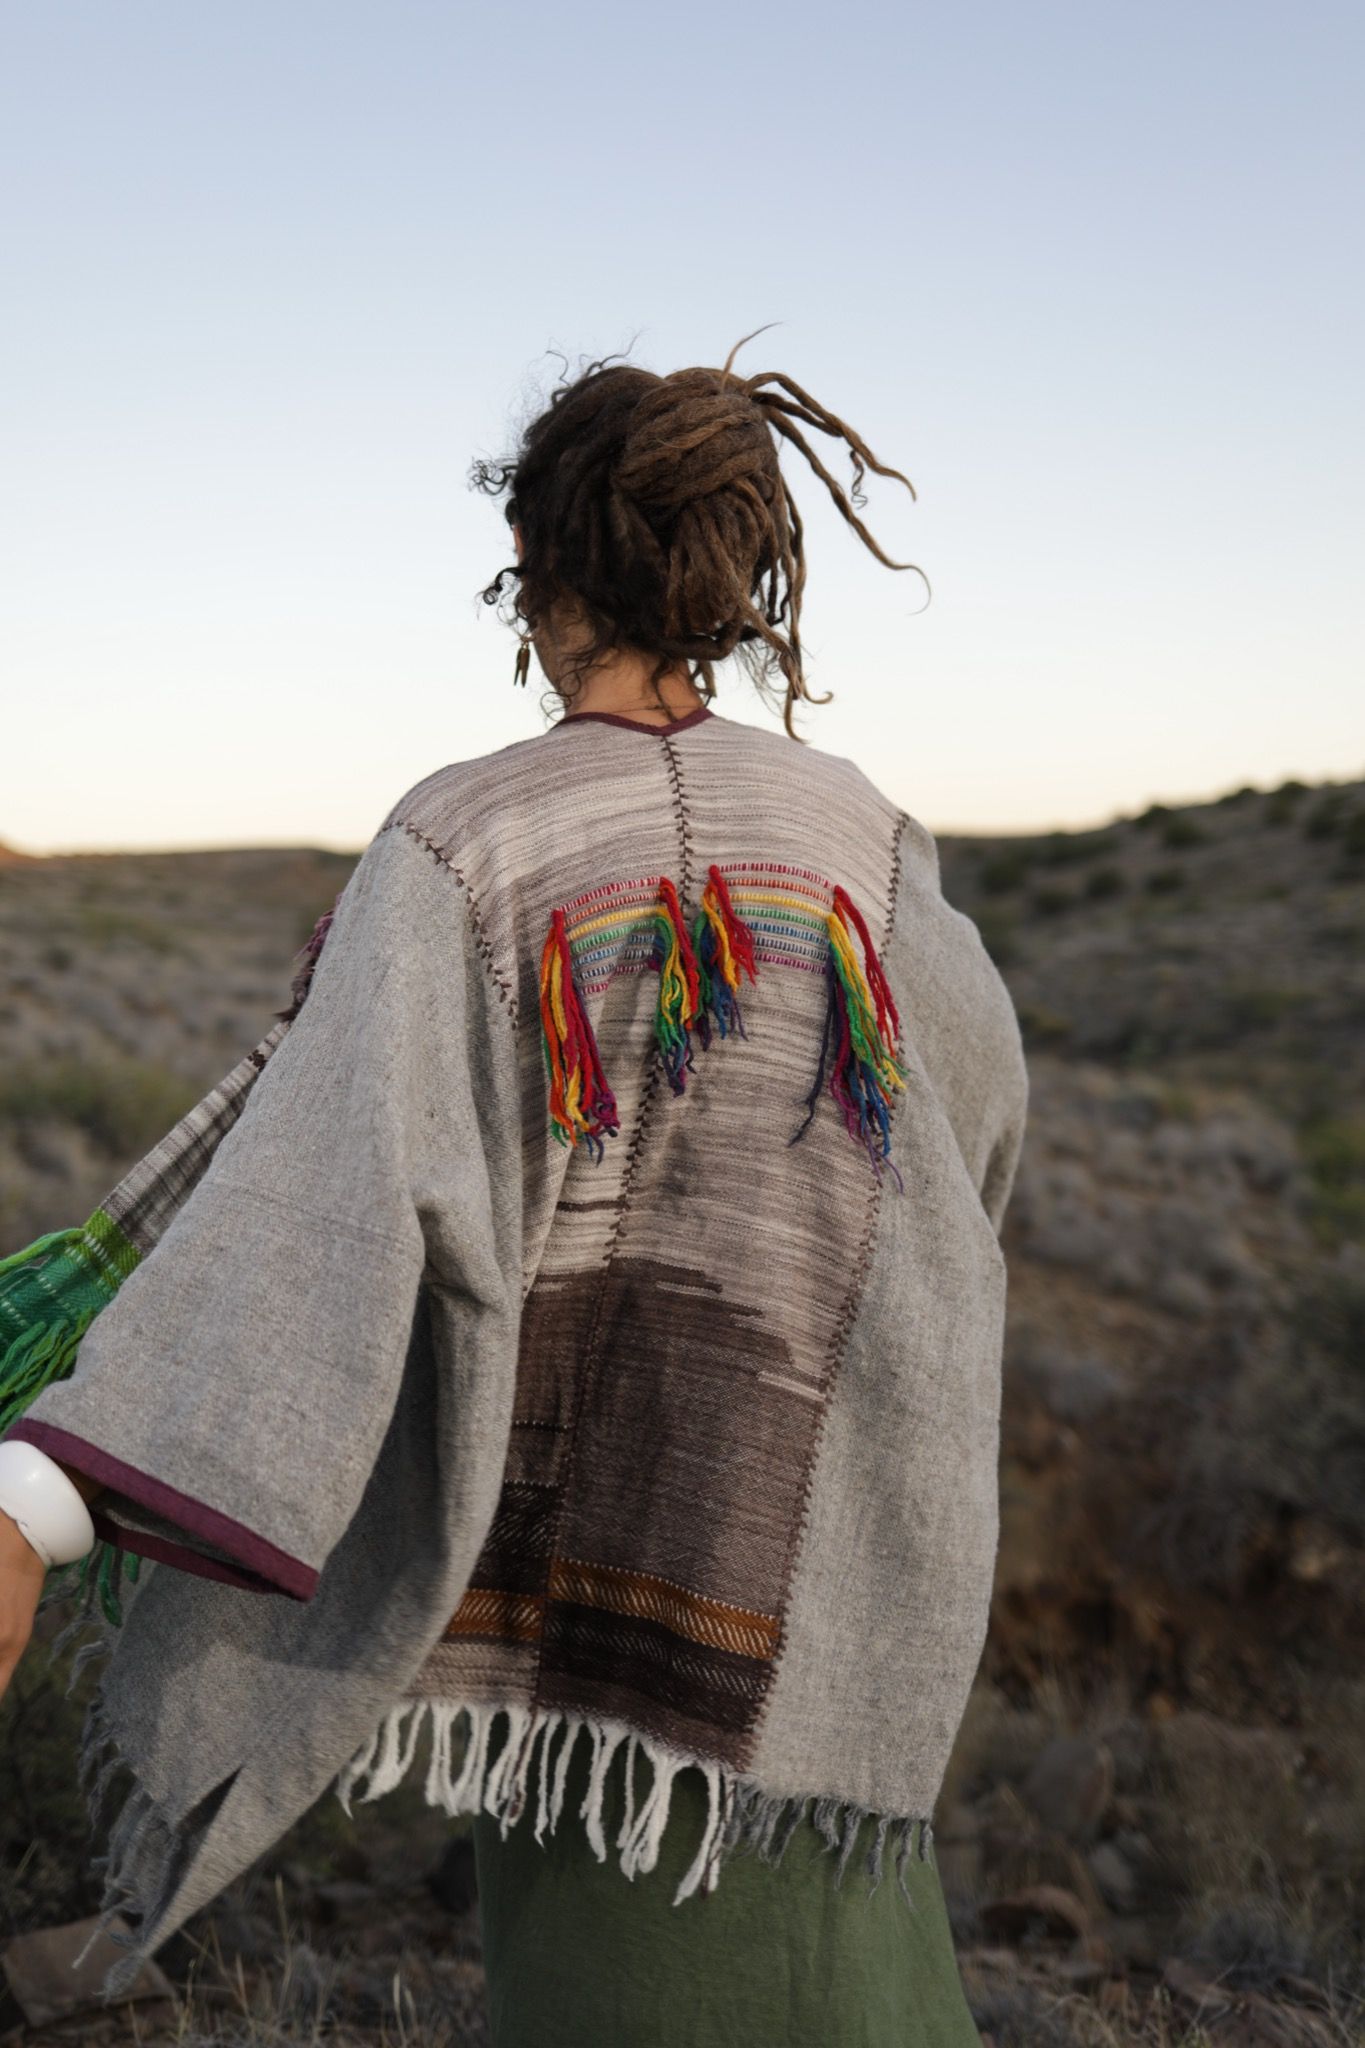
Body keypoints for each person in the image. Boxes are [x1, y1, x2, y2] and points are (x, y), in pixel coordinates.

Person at [0, 328, 1028, 2045]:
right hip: (837, 1585)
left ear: (537, 578)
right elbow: (975, 1123)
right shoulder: (872, 842)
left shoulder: (467, 845)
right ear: (728, 581)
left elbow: (323, 1207)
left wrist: (37, 1502)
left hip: (582, 1591)